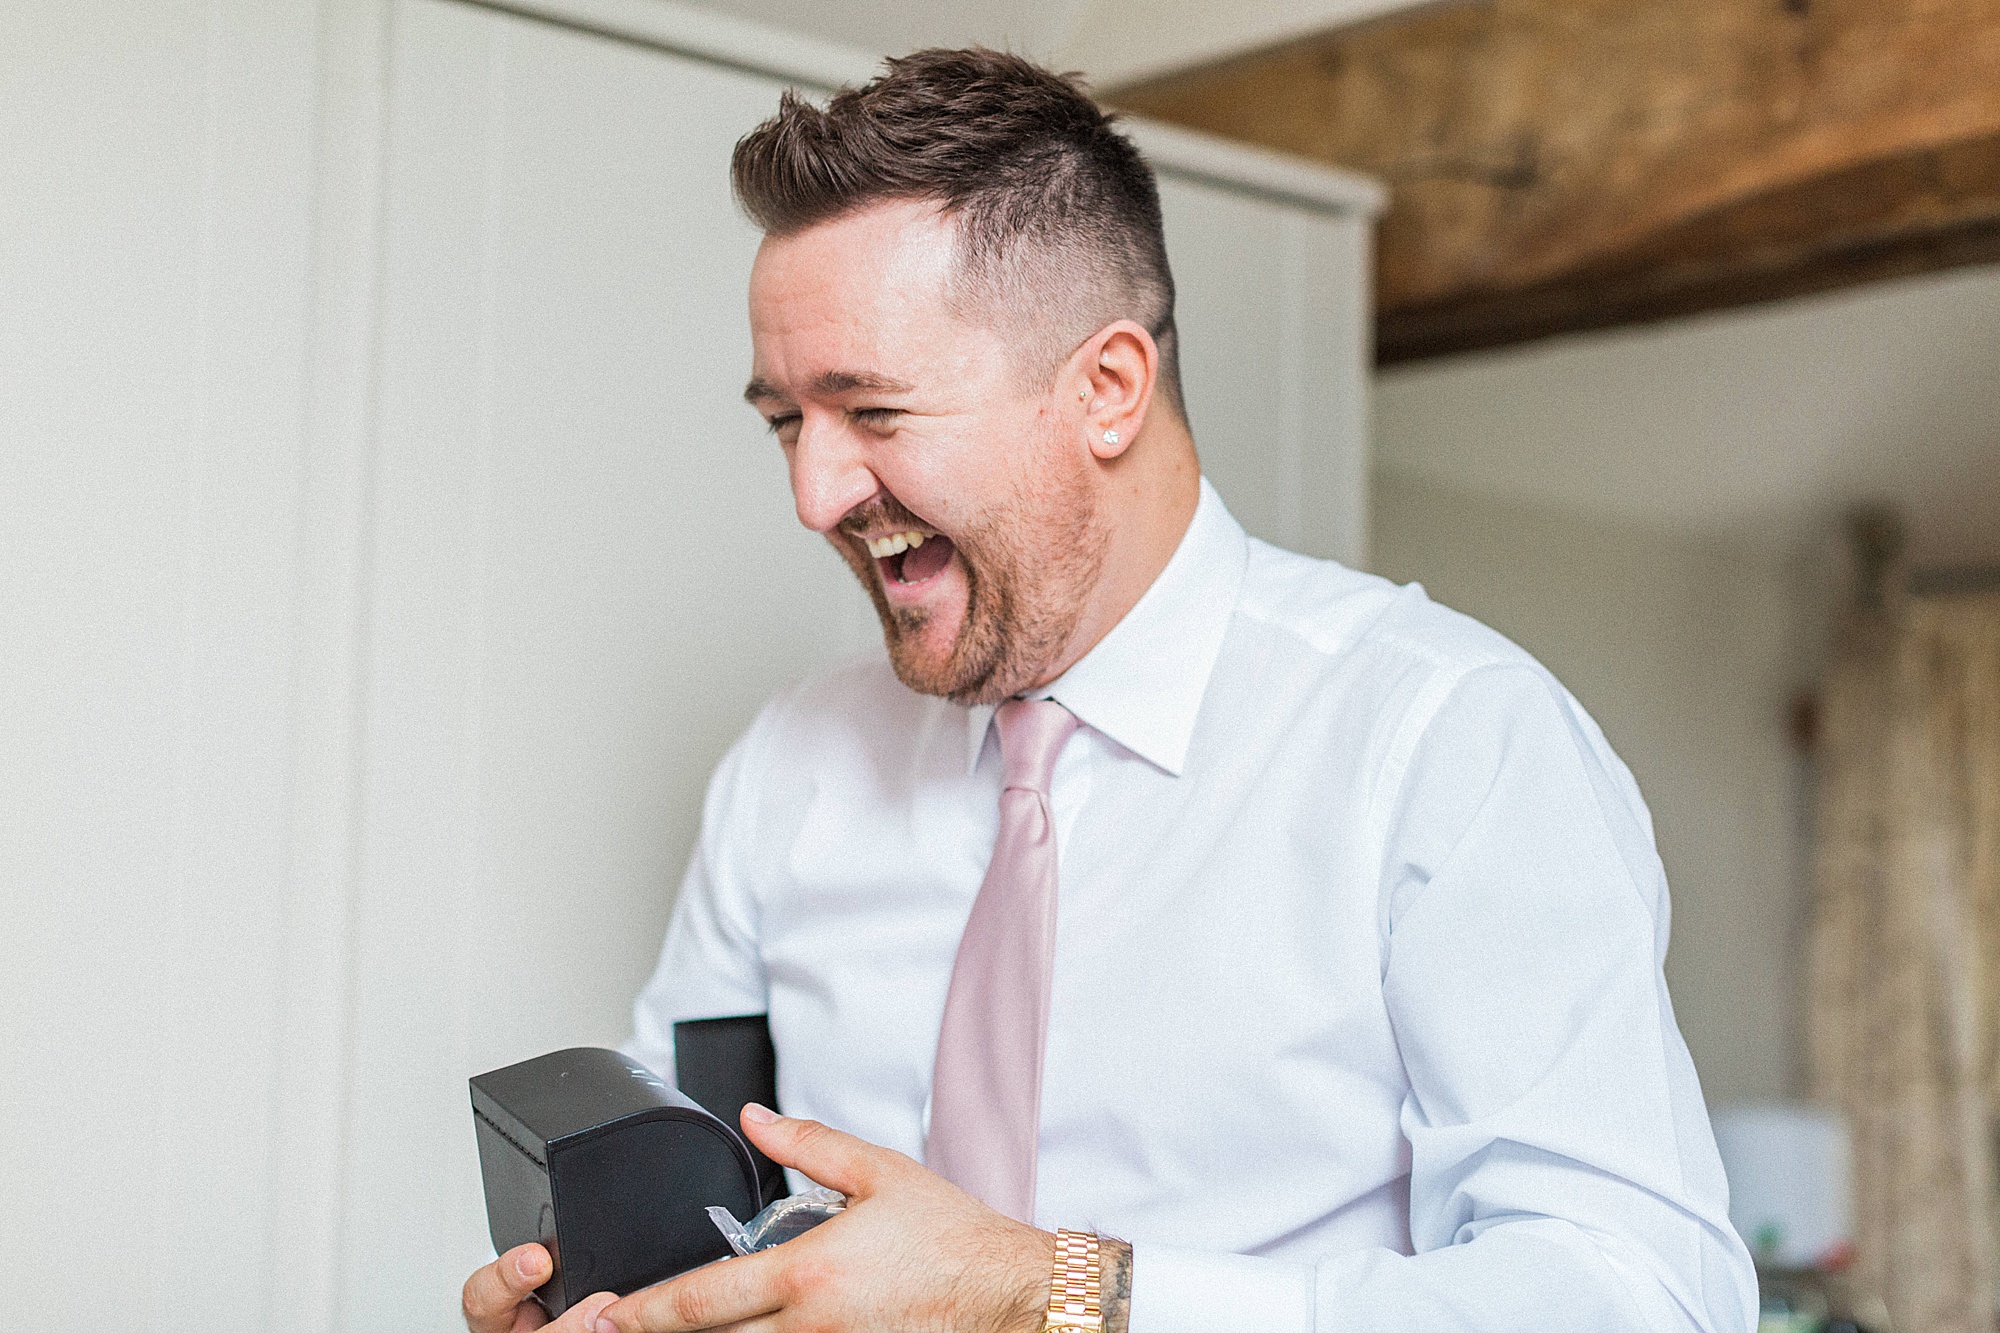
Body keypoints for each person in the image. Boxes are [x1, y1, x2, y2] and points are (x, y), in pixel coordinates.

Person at [461, 48, 1758, 1333]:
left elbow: (1643, 1296)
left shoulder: (1448, 744)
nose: (815, 496)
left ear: (1108, 388)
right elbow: (717, 1219)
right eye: (786, 423)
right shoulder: (788, 770)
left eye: (873, 411)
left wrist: (1054, 1292)